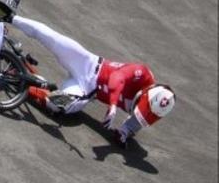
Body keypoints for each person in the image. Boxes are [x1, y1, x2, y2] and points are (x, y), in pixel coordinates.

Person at [10, 15, 176, 148]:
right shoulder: (143, 73)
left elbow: (133, 125)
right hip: (88, 63)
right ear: (148, 92)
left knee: (57, 104)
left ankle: (19, 74)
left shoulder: (150, 112)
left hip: (87, 89)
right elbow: (116, 78)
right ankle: (9, 16)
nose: (140, 109)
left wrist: (123, 134)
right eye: (142, 105)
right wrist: (112, 105)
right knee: (51, 38)